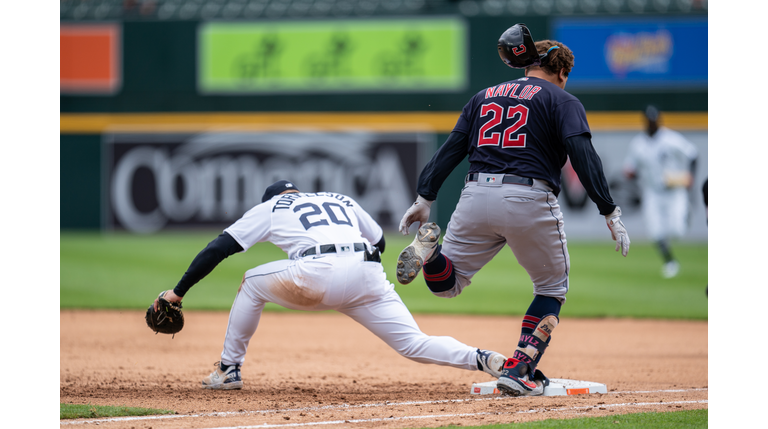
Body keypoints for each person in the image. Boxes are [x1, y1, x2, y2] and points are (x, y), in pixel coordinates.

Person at [395, 24, 630, 397]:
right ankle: (520, 367)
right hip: (528, 197)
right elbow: (583, 155)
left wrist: (425, 197)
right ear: (563, 72)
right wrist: (609, 210)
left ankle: (430, 251)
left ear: (526, 65)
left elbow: (452, 149)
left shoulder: (483, 96)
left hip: (475, 194)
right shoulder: (561, 99)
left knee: (447, 284)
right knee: (552, 287)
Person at [153, 180, 508, 390]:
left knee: (251, 282)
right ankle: (484, 358)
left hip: (316, 272)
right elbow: (380, 244)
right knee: (413, 343)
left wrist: (177, 292)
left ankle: (229, 369)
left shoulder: (274, 206)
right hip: (366, 271)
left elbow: (220, 247)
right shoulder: (338, 198)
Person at [623, 105, 698, 278]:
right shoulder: (638, 144)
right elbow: (630, 168)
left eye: (654, 120)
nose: (652, 124)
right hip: (653, 192)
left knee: (677, 230)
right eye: (649, 121)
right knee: (655, 231)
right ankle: (670, 261)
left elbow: (693, 155)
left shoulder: (670, 139)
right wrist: (630, 173)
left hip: (674, 191)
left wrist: (690, 177)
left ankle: (687, 211)